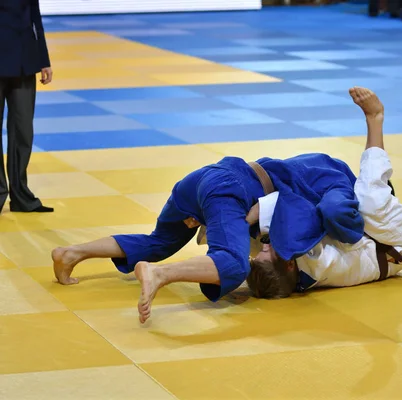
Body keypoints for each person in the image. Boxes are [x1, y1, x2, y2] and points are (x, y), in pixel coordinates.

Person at [51, 107, 368, 323]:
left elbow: (270, 208)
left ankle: (72, 252)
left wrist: (210, 215)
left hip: (208, 177)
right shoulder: (339, 186)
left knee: (159, 241)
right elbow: (331, 211)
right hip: (231, 189)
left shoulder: (311, 170)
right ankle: (159, 275)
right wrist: (355, 232)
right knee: (233, 263)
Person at [246, 87, 402, 298]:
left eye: (258, 255)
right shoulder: (318, 262)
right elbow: (288, 206)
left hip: (360, 233)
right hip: (400, 241)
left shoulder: (280, 268)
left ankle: (344, 188)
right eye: (265, 255)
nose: (262, 250)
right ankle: (375, 117)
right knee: (369, 203)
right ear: (288, 265)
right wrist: (250, 217)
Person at [0, 0, 54, 214]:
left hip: (25, 60)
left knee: (23, 131)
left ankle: (22, 196)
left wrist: (44, 59)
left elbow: (35, 17)